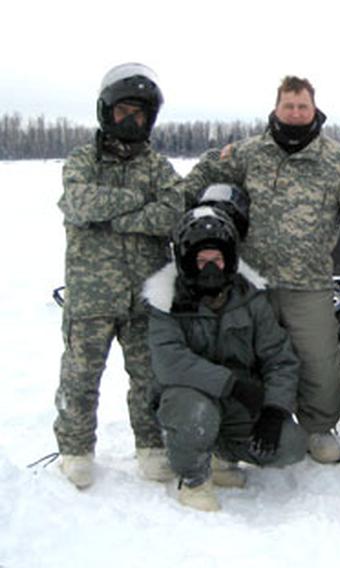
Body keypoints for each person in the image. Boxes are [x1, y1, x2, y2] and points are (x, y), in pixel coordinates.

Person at [180, 76, 340, 463]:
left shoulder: (334, 159)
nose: (296, 113)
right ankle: (239, 431)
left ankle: (319, 428)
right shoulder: (249, 153)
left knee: (320, 365)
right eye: (289, 106)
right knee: (245, 359)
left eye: (303, 107)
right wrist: (177, 207)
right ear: (277, 108)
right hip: (253, 283)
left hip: (309, 283)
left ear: (314, 109)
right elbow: (203, 175)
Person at [53, 63, 183, 489]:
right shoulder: (81, 160)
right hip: (92, 295)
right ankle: (75, 451)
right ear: (108, 111)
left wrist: (118, 218)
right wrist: (136, 204)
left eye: (140, 114)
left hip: (145, 294)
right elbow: (78, 203)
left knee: (149, 379)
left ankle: (151, 447)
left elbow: (172, 212)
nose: (132, 120)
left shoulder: (159, 167)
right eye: (125, 110)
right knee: (80, 377)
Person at [143, 206, 308, 511]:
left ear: (229, 260)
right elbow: (170, 363)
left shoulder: (252, 299)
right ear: (186, 261)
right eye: (202, 261)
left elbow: (280, 358)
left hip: (237, 403)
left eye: (216, 260)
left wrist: (275, 408)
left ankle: (223, 456)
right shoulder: (166, 302)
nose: (210, 269)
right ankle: (193, 479)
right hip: (188, 397)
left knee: (291, 444)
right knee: (196, 416)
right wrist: (230, 384)